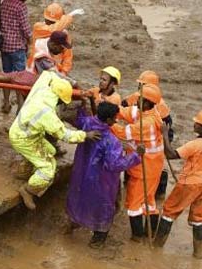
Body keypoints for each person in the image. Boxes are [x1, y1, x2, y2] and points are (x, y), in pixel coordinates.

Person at [9, 74, 100, 210]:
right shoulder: (47, 114)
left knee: (50, 150)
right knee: (48, 171)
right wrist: (85, 135)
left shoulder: (43, 88)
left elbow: (49, 73)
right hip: (23, 138)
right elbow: (65, 135)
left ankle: (25, 169)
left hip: (23, 130)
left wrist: (70, 82)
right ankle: (28, 190)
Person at [66, 101, 141, 247]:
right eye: (114, 118)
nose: (116, 120)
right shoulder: (111, 141)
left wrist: (83, 104)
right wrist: (135, 155)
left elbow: (78, 118)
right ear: (108, 120)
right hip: (102, 180)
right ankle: (98, 238)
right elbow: (116, 164)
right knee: (103, 206)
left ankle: (73, 224)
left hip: (81, 173)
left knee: (78, 197)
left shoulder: (87, 124)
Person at [157, 110, 202, 259]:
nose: (194, 124)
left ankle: (157, 247)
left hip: (189, 184)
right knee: (199, 217)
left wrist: (165, 135)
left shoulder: (194, 145)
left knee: (169, 212)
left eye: (197, 124)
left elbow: (170, 154)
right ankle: (198, 252)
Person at [112, 83, 166, 242]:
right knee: (149, 201)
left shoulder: (148, 123)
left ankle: (137, 236)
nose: (136, 101)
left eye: (140, 99)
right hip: (152, 168)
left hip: (144, 169)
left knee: (134, 204)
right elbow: (128, 112)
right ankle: (151, 232)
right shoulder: (149, 111)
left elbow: (123, 132)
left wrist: (107, 122)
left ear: (147, 103)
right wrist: (111, 108)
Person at [123, 70, 174, 196]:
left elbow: (166, 123)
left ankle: (157, 191)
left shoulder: (160, 104)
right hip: (140, 131)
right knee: (134, 156)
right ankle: (129, 183)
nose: (139, 87)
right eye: (139, 85)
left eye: (142, 85)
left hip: (156, 134)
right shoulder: (136, 96)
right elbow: (123, 104)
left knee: (154, 162)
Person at [0, 0, 32, 113]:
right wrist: (30, 42)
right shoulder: (21, 7)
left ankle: (6, 103)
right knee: (20, 79)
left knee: (6, 77)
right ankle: (20, 107)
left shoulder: (4, 3)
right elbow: (26, 29)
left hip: (4, 46)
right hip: (18, 47)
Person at [26, 3, 80, 74]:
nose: (51, 23)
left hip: (56, 70)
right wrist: (68, 17)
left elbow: (67, 57)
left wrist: (64, 72)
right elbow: (53, 29)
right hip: (35, 70)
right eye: (49, 21)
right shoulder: (38, 27)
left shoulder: (64, 34)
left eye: (53, 22)